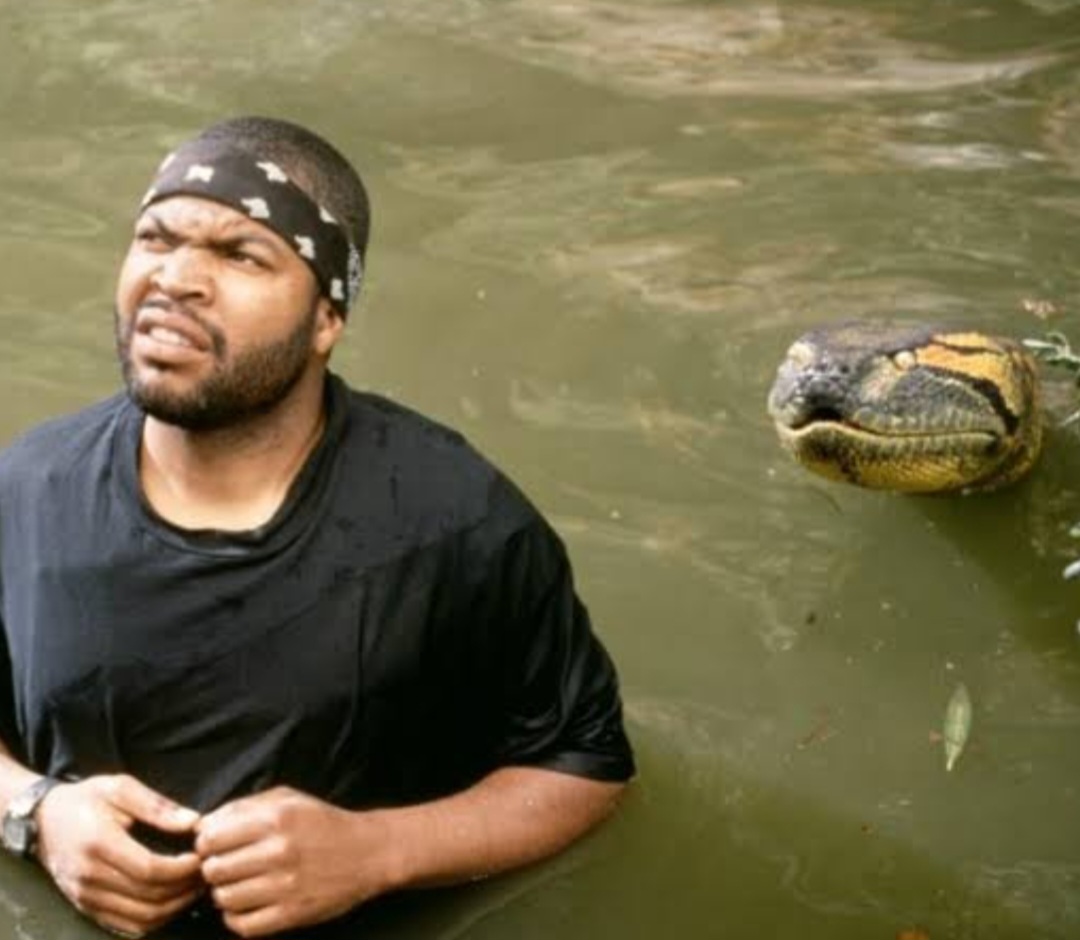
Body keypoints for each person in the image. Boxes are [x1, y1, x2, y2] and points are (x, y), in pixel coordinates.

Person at [0, 116, 635, 938]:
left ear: (327, 319)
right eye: (155, 238)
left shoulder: (454, 520)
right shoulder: (26, 491)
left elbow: (588, 764)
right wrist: (35, 813)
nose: (176, 278)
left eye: (241, 255)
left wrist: (377, 851)